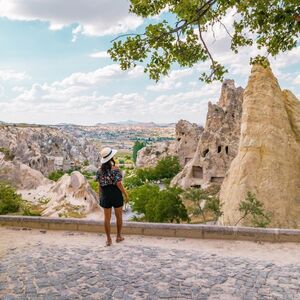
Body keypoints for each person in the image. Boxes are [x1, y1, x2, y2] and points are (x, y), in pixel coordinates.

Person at [96, 147, 129, 246]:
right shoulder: (116, 169)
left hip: (105, 194)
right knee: (119, 217)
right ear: (111, 158)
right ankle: (118, 236)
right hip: (116, 194)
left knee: (107, 218)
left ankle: (108, 239)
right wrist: (126, 194)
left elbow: (99, 184)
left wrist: (100, 195)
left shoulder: (99, 171)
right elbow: (119, 184)